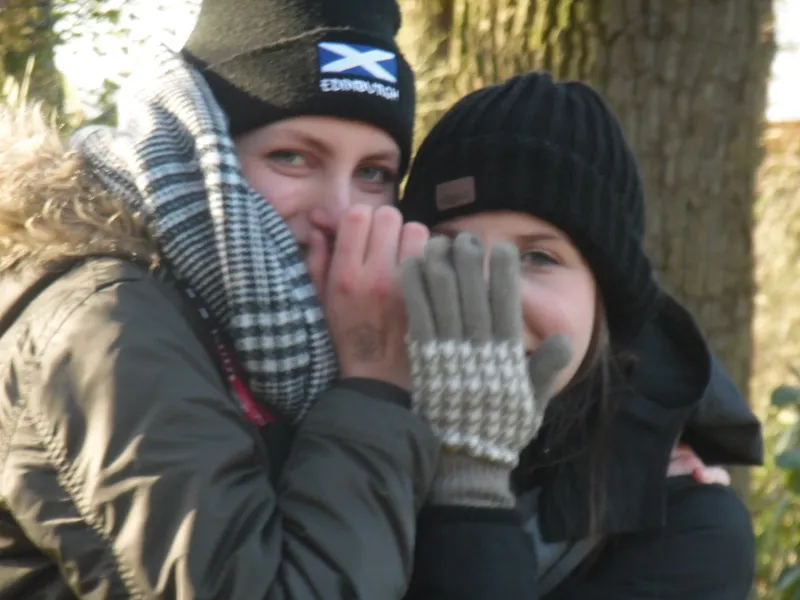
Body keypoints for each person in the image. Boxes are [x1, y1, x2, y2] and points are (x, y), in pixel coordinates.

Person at [0, 0, 450, 597]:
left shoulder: (275, 327)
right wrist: (374, 386)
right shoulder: (107, 322)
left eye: (373, 174)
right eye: (292, 157)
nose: (341, 212)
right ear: (199, 147)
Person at [397, 72, 762, 600]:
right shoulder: (343, 423)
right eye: (451, 252)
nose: (490, 299)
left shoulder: (688, 528)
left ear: (605, 297)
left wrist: (470, 483)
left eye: (536, 257)